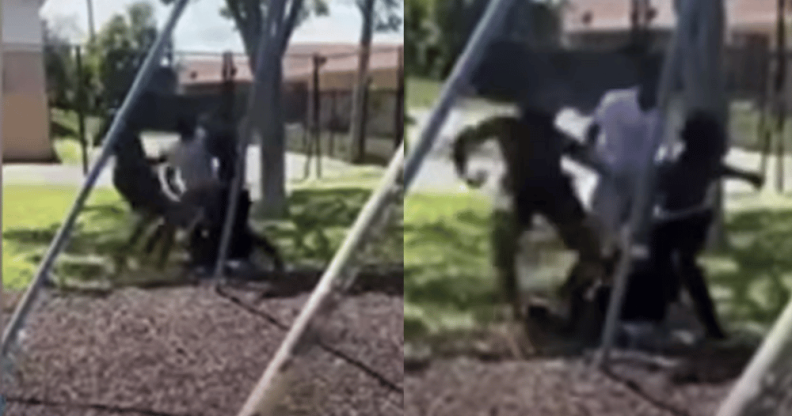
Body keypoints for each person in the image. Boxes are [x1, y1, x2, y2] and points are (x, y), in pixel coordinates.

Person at [453, 109, 610, 322]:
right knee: (504, 249)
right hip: (521, 191)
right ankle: (514, 311)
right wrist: (464, 172)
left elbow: (585, 154)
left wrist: (595, 145)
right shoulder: (507, 126)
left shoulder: (554, 134)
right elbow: (465, 138)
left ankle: (565, 299)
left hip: (554, 191)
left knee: (591, 254)